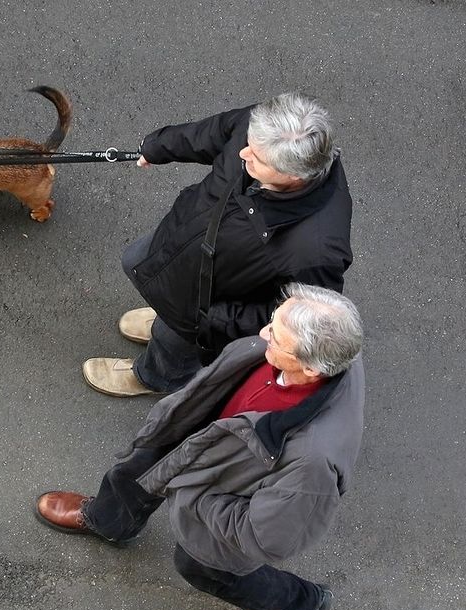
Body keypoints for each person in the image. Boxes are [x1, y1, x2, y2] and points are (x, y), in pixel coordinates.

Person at [38, 284, 364, 610]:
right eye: (273, 320)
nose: (263, 333)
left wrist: (199, 501)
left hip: (220, 490)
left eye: (276, 337)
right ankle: (108, 521)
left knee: (198, 565)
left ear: (311, 368)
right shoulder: (334, 347)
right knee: (139, 467)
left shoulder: (312, 463)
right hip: (208, 435)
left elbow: (269, 538)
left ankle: (299, 604)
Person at [83, 92, 353, 397]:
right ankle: (164, 319)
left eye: (257, 158)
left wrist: (216, 321)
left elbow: (300, 317)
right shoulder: (266, 129)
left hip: (207, 308)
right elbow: (216, 131)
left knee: (174, 347)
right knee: (142, 268)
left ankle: (154, 377)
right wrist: (159, 146)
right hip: (183, 244)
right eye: (249, 142)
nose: (243, 154)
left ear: (291, 175)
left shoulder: (317, 250)